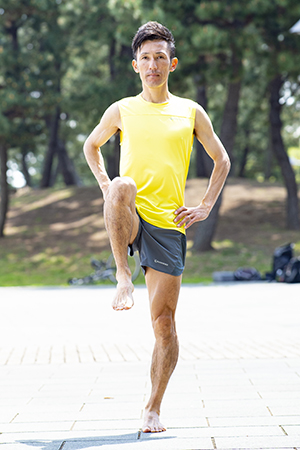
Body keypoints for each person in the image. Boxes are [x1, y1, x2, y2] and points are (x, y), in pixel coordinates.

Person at [83, 21, 230, 433]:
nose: (153, 65)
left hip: (169, 224)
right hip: (131, 215)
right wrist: (105, 186)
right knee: (121, 186)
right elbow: (91, 145)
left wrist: (204, 206)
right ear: (135, 65)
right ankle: (122, 275)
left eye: (160, 57)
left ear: (172, 63)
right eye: (145, 58)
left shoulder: (190, 111)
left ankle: (153, 406)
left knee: (164, 325)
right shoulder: (121, 109)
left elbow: (222, 160)